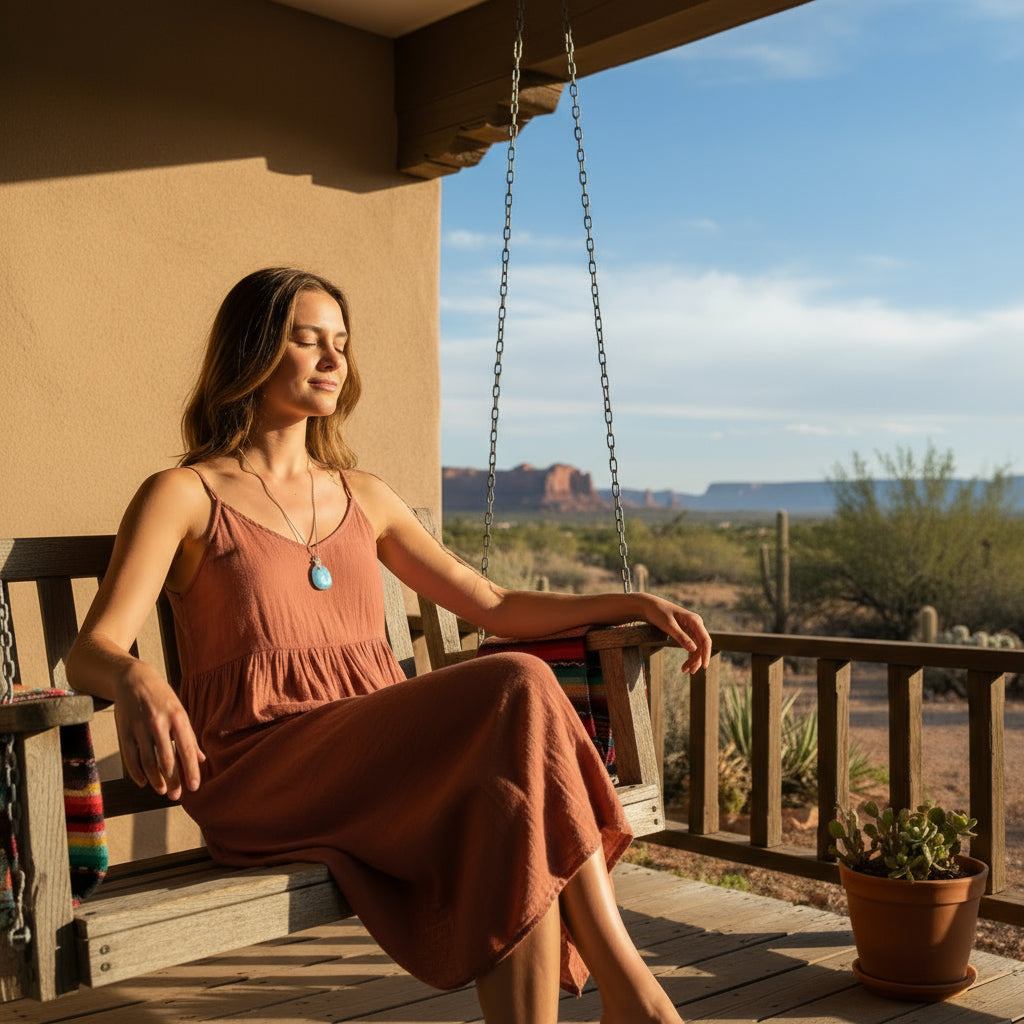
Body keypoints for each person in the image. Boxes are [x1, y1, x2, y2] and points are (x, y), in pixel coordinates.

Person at [67, 267, 711, 1024]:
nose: (333, 360)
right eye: (307, 340)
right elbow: (94, 646)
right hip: (262, 769)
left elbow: (493, 603)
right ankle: (630, 986)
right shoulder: (184, 494)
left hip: (381, 763)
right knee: (520, 683)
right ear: (252, 353)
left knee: (508, 806)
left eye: (341, 343)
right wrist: (138, 679)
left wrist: (628, 599)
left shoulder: (362, 495)